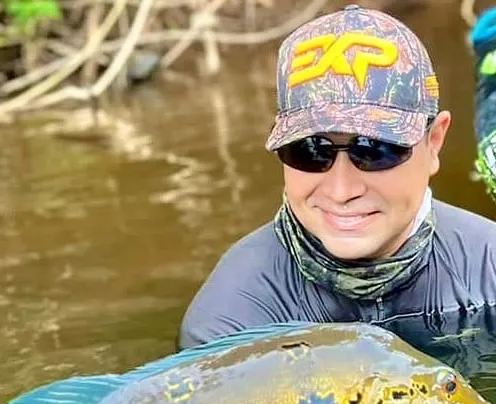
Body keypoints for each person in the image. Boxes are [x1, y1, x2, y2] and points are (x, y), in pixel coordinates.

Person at [178, 4, 496, 352]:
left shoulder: (489, 268)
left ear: (434, 142)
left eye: (375, 149)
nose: (342, 190)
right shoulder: (230, 324)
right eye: (310, 150)